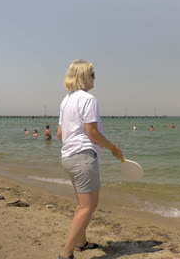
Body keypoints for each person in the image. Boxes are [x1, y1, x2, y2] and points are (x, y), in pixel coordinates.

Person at [56, 59, 123, 259]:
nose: (95, 78)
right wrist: (113, 148)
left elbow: (60, 134)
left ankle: (81, 242)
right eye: (93, 74)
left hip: (68, 157)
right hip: (82, 158)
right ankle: (66, 254)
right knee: (87, 207)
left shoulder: (66, 100)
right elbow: (92, 133)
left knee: (81, 205)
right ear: (84, 76)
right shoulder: (88, 99)